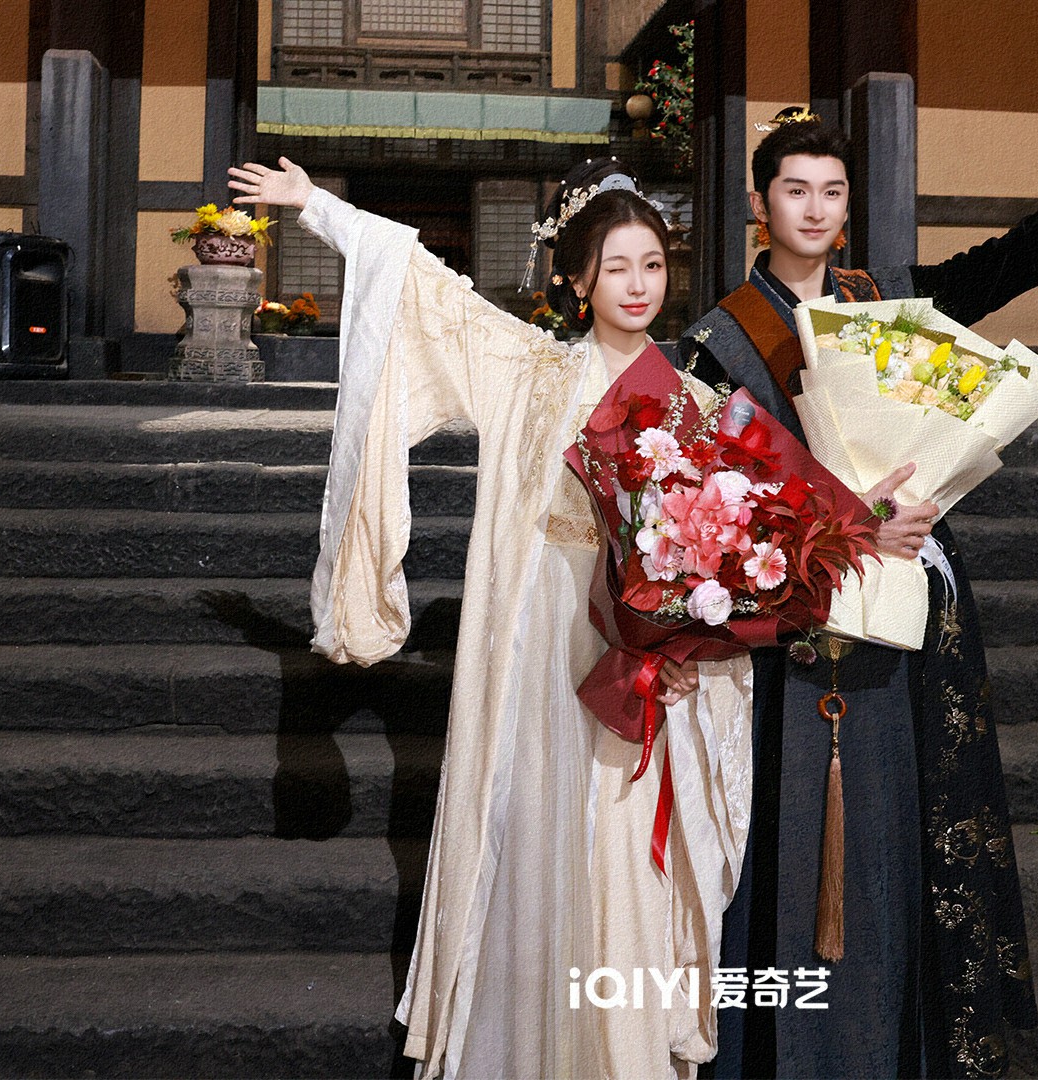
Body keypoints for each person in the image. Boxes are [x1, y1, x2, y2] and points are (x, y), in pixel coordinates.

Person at [680, 72, 1038, 1079]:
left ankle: (900, 1046)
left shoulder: (883, 305)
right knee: (787, 841)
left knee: (905, 837)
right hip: (793, 621)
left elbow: (1017, 257)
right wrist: (836, 525)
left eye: (832, 191)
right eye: (795, 190)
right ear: (759, 203)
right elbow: (711, 510)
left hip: (910, 599)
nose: (816, 209)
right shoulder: (719, 342)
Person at [229, 155, 748, 1079]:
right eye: (617, 267)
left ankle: (620, 1052)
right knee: (534, 826)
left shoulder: (701, 407)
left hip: (639, 654)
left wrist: (691, 648)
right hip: (539, 634)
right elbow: (418, 284)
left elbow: (728, 556)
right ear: (579, 279)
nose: (638, 285)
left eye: (653, 265)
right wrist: (316, 207)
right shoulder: (531, 369)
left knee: (621, 841)